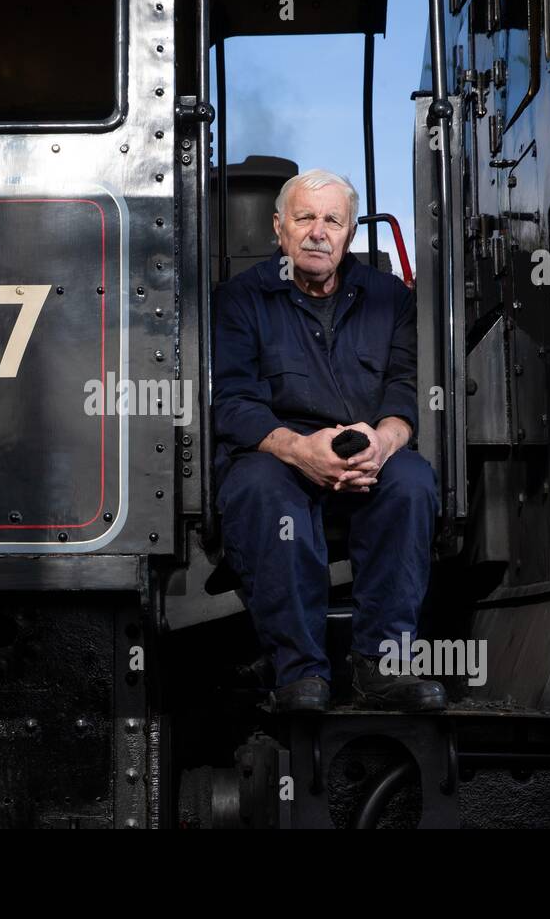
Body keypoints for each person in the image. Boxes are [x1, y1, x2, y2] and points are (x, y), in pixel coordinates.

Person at [213, 168, 445, 713]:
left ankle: (381, 667)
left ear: (349, 233)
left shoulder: (391, 298)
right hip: (279, 456)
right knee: (260, 489)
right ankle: (299, 672)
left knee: (412, 482)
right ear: (279, 228)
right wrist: (300, 451)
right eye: (305, 218)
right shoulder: (240, 299)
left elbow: (404, 391)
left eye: (333, 220)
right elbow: (233, 404)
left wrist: (384, 443)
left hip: (367, 456)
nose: (319, 232)